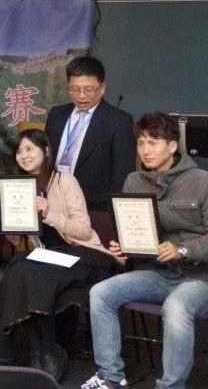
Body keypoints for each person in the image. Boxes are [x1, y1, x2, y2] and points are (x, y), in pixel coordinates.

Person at [83, 112, 208, 389]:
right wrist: (123, 247)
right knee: (100, 292)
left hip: (198, 278)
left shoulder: (201, 181)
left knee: (176, 308)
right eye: (141, 143)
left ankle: (170, 386)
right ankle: (110, 377)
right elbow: (133, 230)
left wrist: (183, 250)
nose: (145, 150)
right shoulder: (134, 181)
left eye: (153, 143)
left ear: (172, 146)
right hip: (157, 273)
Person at [0, 129, 120, 379]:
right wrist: (1, 216)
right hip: (48, 258)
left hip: (85, 254)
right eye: (19, 151)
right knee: (19, 265)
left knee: (27, 268)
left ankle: (46, 349)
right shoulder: (19, 187)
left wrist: (50, 213)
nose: (23, 155)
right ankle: (41, 350)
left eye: (29, 149)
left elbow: (83, 230)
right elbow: (16, 239)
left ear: (46, 151)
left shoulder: (65, 181)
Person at [45, 56, 135, 215]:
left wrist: (114, 213)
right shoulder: (56, 115)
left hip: (94, 206)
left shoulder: (119, 121)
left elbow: (122, 174)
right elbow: (45, 157)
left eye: (87, 89)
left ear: (102, 87)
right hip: (54, 203)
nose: (80, 96)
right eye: (74, 89)